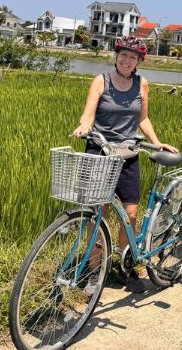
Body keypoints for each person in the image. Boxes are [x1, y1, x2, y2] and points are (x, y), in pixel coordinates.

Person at [73, 35, 170, 292]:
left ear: (138, 61)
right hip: (100, 150)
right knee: (98, 213)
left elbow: (143, 119)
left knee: (130, 214)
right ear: (116, 56)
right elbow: (89, 113)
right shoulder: (100, 81)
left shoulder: (142, 84)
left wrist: (157, 142)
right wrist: (84, 125)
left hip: (128, 153)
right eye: (124, 55)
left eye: (133, 57)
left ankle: (124, 266)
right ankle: (95, 272)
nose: (127, 60)